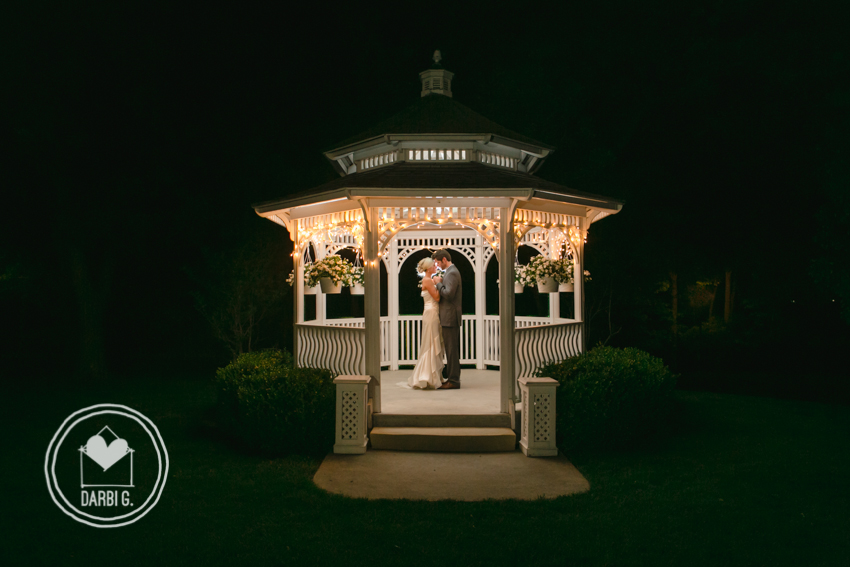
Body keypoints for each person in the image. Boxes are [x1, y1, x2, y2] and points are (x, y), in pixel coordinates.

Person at [407, 257, 446, 389]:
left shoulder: (428, 280)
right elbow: (436, 297)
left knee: (434, 341)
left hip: (432, 312)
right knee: (431, 342)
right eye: (434, 265)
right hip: (431, 313)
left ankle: (435, 375)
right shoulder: (427, 280)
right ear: (429, 268)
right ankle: (428, 375)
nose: (436, 267)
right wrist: (439, 282)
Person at [431, 249, 462, 389]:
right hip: (448, 317)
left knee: (451, 350)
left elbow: (448, 294)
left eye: (437, 262)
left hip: (450, 317)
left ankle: (453, 381)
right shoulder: (450, 272)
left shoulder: (452, 273)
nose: (437, 265)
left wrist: (438, 283)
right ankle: (451, 378)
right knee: (451, 349)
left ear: (444, 259)